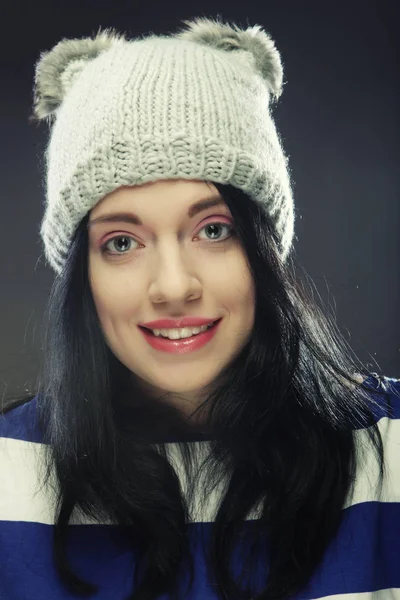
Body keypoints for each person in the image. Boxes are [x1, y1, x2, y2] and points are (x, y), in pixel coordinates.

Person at [0, 15, 399, 600]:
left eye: (213, 230)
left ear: (263, 249)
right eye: (121, 242)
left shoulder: (389, 452)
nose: (173, 286)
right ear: (83, 278)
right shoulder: (8, 472)